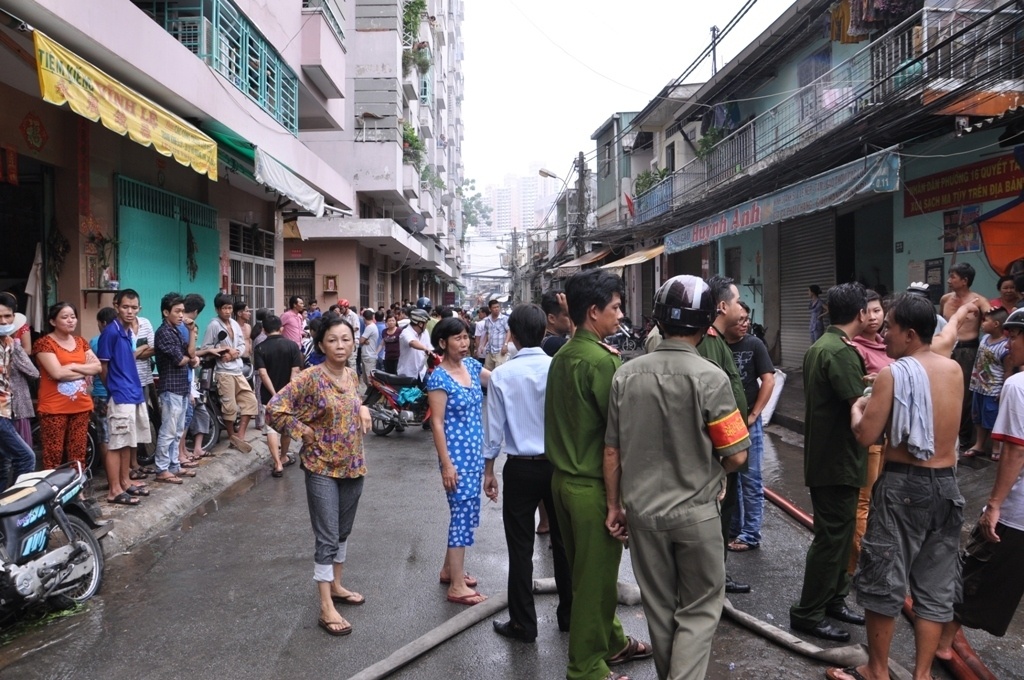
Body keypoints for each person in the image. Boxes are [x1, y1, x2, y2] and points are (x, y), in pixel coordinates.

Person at [604, 275, 749, 680]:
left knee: (661, 610)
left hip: (642, 516)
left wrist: (614, 505)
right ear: (705, 325)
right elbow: (736, 454)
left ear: (658, 322)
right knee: (701, 608)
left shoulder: (625, 375)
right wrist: (719, 471)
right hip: (697, 515)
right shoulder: (711, 378)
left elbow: (612, 450)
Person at [827, 293, 965, 680]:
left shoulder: (894, 375)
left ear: (910, 333)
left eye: (890, 327)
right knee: (935, 587)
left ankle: (876, 669)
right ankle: (922, 675)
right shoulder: (953, 369)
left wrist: (859, 406)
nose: (884, 332)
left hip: (905, 486)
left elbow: (866, 435)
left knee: (884, 580)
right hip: (947, 486)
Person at [545, 268, 652, 680]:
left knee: (587, 575)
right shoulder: (602, 362)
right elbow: (616, 442)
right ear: (593, 312)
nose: (620, 315)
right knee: (595, 581)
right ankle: (586, 666)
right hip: (592, 488)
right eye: (616, 307)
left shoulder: (563, 356)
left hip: (562, 484)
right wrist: (617, 502)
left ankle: (611, 642)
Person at [267, 315, 371, 637]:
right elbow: (274, 408)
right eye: (332, 340)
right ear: (321, 343)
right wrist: (303, 432)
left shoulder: (352, 376)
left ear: (353, 341)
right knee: (326, 537)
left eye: (345, 339)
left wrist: (363, 409)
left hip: (353, 466)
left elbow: (351, 404)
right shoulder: (311, 377)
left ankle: (337, 586)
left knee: (342, 532)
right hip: (322, 468)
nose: (340, 345)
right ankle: (326, 607)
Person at [935, 307, 1024, 664]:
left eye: (1015, 335)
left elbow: (1015, 453)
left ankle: (942, 645)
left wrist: (995, 504)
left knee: (975, 571)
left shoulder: (1018, 386)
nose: (1009, 342)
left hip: (1018, 515)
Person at [483, 304, 572, 641]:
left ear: (514, 336)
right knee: (564, 544)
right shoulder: (558, 368)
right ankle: (569, 616)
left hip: (520, 468)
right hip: (557, 465)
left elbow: (494, 431)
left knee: (519, 548)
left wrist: (489, 472)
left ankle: (523, 623)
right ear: (544, 332)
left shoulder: (502, 375)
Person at [790, 282, 868, 642]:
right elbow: (859, 403)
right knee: (831, 538)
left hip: (830, 458)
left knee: (838, 536)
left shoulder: (824, 346)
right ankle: (809, 611)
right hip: (837, 461)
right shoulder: (838, 352)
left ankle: (834, 598)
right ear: (861, 314)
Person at [427, 317, 491, 606]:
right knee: (462, 515)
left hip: (475, 455)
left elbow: (500, 380)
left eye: (467, 337)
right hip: (456, 458)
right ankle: (456, 585)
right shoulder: (439, 378)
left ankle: (449, 570)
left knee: (464, 513)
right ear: (443, 343)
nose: (465, 343)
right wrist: (447, 464)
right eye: (458, 338)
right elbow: (437, 424)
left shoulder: (473, 367)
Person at [699, 276, 752, 594]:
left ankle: (718, 574)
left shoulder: (718, 341)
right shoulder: (708, 342)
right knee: (717, 515)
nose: (740, 306)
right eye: (736, 300)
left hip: (731, 447)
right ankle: (712, 579)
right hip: (720, 451)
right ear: (721, 306)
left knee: (727, 511)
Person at [847, 290, 894, 575]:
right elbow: (858, 398)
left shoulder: (890, 345)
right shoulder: (852, 348)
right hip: (869, 437)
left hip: (893, 438)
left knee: (881, 502)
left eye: (878, 310)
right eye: (868, 311)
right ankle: (859, 566)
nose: (874, 317)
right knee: (862, 503)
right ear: (858, 315)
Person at [725, 300, 775, 553]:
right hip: (724, 425)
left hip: (748, 423)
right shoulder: (717, 344)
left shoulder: (754, 344)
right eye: (740, 320)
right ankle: (733, 529)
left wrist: (755, 414)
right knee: (729, 479)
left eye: (747, 319)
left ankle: (750, 534)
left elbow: (768, 379)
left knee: (751, 480)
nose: (745, 324)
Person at [96, 289, 154, 506]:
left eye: (134, 307)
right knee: (116, 444)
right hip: (120, 394)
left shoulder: (128, 331)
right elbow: (103, 367)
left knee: (128, 443)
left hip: (133, 392)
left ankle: (125, 481)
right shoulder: (110, 332)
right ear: (116, 306)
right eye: (125, 307)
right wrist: (113, 390)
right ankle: (114, 490)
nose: (130, 311)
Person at [33, 302, 101, 470]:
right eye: (65, 317)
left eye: (73, 316)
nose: (71, 320)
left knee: (78, 452)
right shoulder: (44, 344)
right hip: (54, 407)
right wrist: (84, 371)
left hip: (81, 405)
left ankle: (79, 492)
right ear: (53, 321)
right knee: (53, 454)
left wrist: (71, 367)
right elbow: (57, 374)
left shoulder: (81, 342)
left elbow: (97, 367)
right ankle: (53, 493)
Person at [940, 262, 990, 450]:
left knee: (964, 394)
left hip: (968, 350)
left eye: (953, 277)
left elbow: (993, 321)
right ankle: (944, 433)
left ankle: (963, 438)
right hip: (946, 348)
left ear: (965, 280)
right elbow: (940, 323)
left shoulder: (979, 301)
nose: (949, 280)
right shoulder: (946, 299)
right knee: (943, 390)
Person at [203, 294, 259, 453]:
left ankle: (239, 437)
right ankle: (230, 434)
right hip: (223, 372)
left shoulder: (235, 324)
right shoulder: (213, 325)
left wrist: (235, 353)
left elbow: (242, 345)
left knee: (250, 401)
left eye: (229, 308)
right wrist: (222, 353)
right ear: (217, 309)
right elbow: (206, 348)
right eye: (224, 308)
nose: (227, 311)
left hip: (237, 369)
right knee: (230, 407)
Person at [152, 292, 198, 485]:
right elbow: (181, 359)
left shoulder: (178, 330)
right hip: (170, 387)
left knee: (178, 430)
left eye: (182, 311)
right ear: (165, 312)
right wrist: (191, 359)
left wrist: (193, 332)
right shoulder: (163, 332)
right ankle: (162, 468)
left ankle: (173, 465)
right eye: (177, 311)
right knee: (168, 430)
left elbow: (191, 353)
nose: (181, 315)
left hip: (181, 386)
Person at [254, 314, 303, 477]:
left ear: (264, 330)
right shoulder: (292, 346)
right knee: (285, 428)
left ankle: (277, 464)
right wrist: (285, 393)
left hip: (269, 396)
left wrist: (274, 394)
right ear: (281, 328)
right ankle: (283, 457)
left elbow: (262, 373)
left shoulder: (260, 348)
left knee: (271, 429)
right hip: (289, 395)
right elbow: (295, 371)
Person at [963, 307, 1012, 460]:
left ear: (996, 324)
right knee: (977, 416)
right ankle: (979, 444)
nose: (982, 324)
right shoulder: (984, 339)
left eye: (986, 321)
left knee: (992, 418)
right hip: (978, 386)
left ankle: (996, 447)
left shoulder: (1005, 347)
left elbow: (1008, 370)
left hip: (993, 388)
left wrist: (1003, 390)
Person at [0, 293, 36, 491]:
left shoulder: (8, 344)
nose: (4, 321)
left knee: (4, 465)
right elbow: (33, 372)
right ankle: (18, 509)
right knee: (25, 457)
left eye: (8, 316)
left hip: (7, 409)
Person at [397, 308, 432, 381]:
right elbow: (412, 342)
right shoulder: (406, 332)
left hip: (421, 372)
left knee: (431, 388)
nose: (426, 325)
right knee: (408, 392)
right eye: (425, 323)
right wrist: (425, 348)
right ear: (420, 324)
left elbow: (430, 348)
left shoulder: (425, 332)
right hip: (407, 374)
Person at [541, 289, 571, 357]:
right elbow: (580, 345)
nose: (573, 318)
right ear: (551, 319)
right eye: (567, 315)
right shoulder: (550, 342)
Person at [481, 300, 510, 371]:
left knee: (499, 372)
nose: (496, 309)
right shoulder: (487, 320)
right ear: (490, 309)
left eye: (498, 307)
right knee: (488, 372)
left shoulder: (504, 319)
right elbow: (487, 333)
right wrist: (482, 345)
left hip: (500, 351)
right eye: (494, 307)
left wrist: (505, 344)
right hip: (490, 350)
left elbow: (509, 331)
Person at [359, 309, 380, 387]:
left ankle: (372, 397)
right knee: (366, 379)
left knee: (370, 379)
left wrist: (363, 341)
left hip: (369, 356)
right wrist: (365, 341)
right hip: (368, 356)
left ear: (364, 318)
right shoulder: (371, 326)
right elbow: (363, 340)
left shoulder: (370, 327)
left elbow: (361, 340)